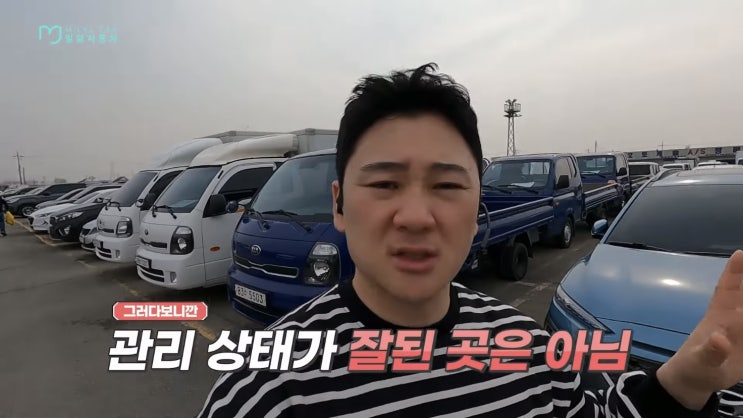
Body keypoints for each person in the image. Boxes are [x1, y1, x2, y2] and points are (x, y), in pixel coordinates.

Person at [198, 63, 742, 417]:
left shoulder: (528, 350)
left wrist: (686, 380)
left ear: (477, 202)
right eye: (385, 184)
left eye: (447, 185)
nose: (416, 216)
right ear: (339, 204)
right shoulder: (265, 390)